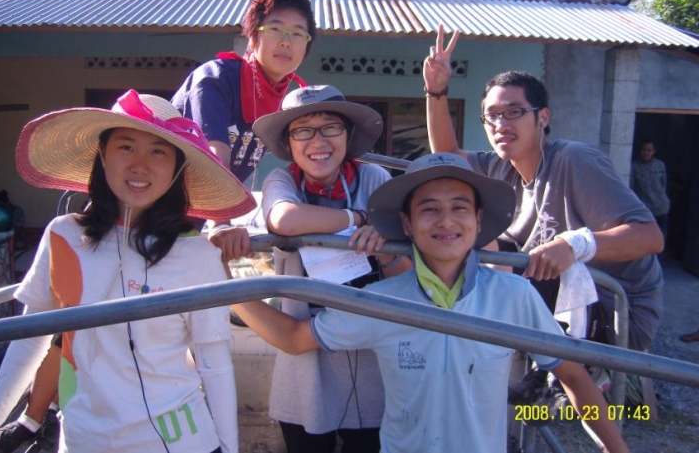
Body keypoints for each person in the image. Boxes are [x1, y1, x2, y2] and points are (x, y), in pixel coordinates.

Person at [232, 153, 629, 453]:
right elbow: (294, 337)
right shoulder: (383, 302)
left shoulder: (513, 296)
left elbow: (574, 377)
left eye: (459, 207)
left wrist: (617, 449)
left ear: (478, 219)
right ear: (407, 224)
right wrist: (221, 283)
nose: (446, 221)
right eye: (429, 209)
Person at [0, 90, 256, 453]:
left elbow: (213, 363)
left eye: (158, 151)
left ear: (177, 168)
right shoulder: (62, 236)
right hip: (81, 441)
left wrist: (229, 449)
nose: (140, 165)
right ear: (102, 154)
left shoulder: (198, 256)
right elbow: (29, 340)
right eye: (126, 146)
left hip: (182, 443)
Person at [423, 27, 664, 357]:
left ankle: (565, 377)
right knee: (472, 238)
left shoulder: (575, 160)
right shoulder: (500, 167)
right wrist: (435, 91)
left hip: (616, 312)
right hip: (555, 303)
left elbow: (651, 237)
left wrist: (574, 244)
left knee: (513, 273)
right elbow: (448, 156)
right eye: (491, 116)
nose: (501, 125)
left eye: (514, 112)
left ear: (543, 117)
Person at [249, 85, 412, 452]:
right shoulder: (283, 181)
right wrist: (358, 218)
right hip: (306, 358)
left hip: (372, 357)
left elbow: (403, 273)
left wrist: (382, 244)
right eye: (303, 130)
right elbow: (285, 220)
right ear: (288, 142)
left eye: (330, 127)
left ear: (348, 135)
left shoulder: (373, 178)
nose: (318, 141)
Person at [172, 0, 316, 262]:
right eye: (275, 29)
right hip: (139, 215)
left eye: (298, 34)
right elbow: (214, 154)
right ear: (252, 37)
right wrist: (221, 224)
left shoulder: (283, 102)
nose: (286, 41)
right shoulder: (215, 78)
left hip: (187, 230)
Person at [631, 139, 670, 249]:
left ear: (654, 151)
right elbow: (631, 188)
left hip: (662, 208)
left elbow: (663, 184)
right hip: (647, 210)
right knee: (646, 242)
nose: (646, 153)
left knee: (661, 240)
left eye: (649, 150)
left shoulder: (660, 165)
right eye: (643, 150)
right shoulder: (635, 166)